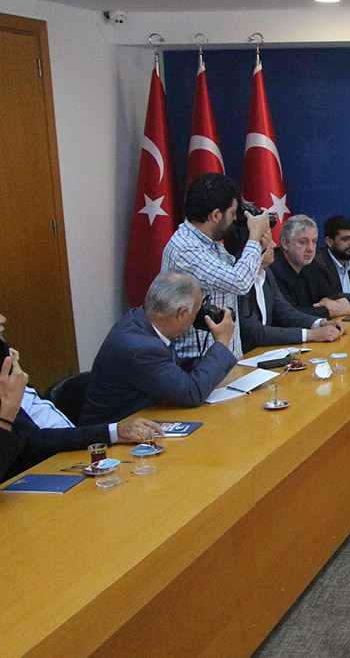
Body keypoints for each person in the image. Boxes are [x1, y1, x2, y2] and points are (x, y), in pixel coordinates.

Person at [0, 312, 160, 480]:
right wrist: (6, 414)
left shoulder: (9, 375)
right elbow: (32, 444)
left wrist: (114, 432)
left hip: (69, 456)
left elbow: (36, 437)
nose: (3, 318)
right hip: (37, 476)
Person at [81, 271, 239, 425]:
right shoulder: (141, 348)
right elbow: (193, 393)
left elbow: (172, 370)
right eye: (197, 312)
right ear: (182, 314)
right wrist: (222, 341)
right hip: (114, 434)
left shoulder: (139, 319)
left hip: (146, 416)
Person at [161, 172, 269, 360]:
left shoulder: (209, 242)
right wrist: (254, 236)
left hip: (226, 357)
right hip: (198, 362)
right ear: (216, 215)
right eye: (233, 213)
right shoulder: (185, 248)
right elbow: (239, 282)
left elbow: (232, 273)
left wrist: (259, 246)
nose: (235, 219)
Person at [225, 225, 346, 353]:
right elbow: (255, 333)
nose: (273, 245)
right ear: (249, 248)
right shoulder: (237, 282)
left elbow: (285, 312)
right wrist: (311, 334)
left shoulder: (266, 273)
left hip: (264, 353)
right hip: (244, 357)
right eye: (266, 241)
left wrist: (320, 323)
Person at [268, 215, 350, 319]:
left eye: (314, 242)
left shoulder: (311, 265)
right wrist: (328, 310)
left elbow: (332, 295)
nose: (311, 249)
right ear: (285, 243)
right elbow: (289, 314)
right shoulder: (273, 270)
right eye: (303, 242)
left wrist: (326, 300)